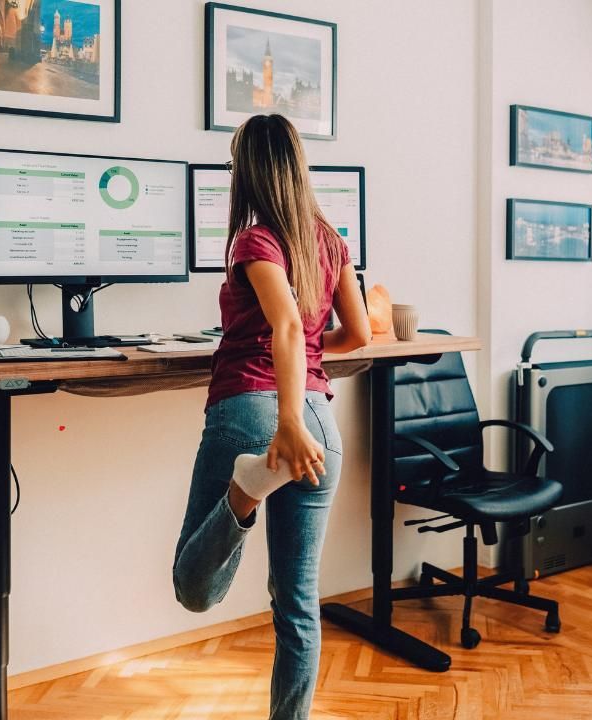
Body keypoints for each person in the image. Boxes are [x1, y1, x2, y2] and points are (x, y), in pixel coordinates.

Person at [171, 114, 372, 719]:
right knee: (298, 602)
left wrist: (286, 421)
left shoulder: (253, 240)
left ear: (246, 173)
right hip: (322, 424)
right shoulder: (330, 241)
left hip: (257, 410)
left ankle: (244, 490)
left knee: (193, 588)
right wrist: (311, 361)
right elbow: (357, 335)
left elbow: (285, 324)